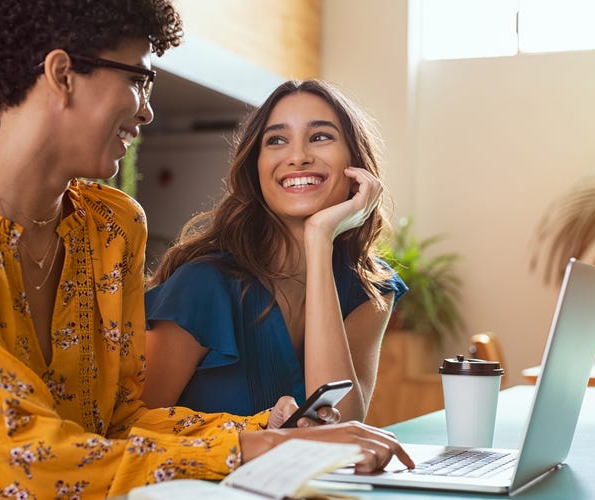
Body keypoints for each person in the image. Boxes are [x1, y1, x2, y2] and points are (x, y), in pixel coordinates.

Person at [0, 1, 412, 498]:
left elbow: (120, 421)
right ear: (62, 74)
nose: (146, 109)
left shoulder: (112, 225)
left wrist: (268, 432)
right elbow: (17, 458)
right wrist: (243, 450)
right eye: (140, 79)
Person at [142, 79, 407, 421]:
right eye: (277, 140)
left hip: (312, 476)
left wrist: (319, 236)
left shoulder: (369, 288)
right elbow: (130, 433)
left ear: (355, 163)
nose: (297, 157)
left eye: (320, 136)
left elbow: (339, 429)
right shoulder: (202, 286)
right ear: (256, 167)